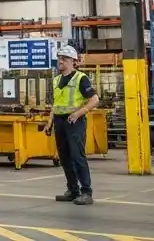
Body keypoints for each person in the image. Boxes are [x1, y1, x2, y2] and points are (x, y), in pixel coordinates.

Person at [45, 44, 100, 205]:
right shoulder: (56, 80)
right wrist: (49, 122)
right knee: (64, 158)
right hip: (60, 122)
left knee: (77, 156)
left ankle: (86, 192)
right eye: (59, 58)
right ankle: (73, 189)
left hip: (74, 121)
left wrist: (77, 114)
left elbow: (94, 100)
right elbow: (56, 104)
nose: (60, 61)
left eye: (64, 58)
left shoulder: (80, 78)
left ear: (73, 61)